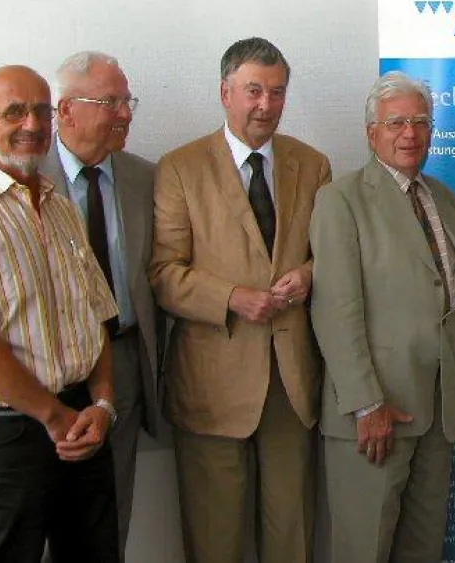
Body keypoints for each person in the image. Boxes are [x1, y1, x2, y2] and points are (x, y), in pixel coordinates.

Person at [0, 65, 119, 562]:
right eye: (14, 111)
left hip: (81, 421)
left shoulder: (59, 207)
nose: (32, 124)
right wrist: (54, 417)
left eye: (41, 110)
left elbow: (95, 316)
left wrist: (102, 406)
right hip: (7, 437)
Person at [149, 37, 332, 563]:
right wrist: (231, 297)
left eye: (277, 93)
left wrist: (309, 274)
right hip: (211, 385)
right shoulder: (180, 167)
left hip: (292, 383)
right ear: (225, 92)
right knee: (215, 540)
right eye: (254, 91)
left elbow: (334, 256)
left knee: (291, 536)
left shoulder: (312, 164)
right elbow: (163, 274)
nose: (266, 105)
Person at [310, 71, 455, 563]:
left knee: (423, 549)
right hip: (377, 413)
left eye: (420, 122)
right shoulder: (341, 200)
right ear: (372, 133)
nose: (409, 134)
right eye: (395, 123)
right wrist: (367, 404)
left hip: (440, 409)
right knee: (363, 549)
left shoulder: (447, 201)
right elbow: (335, 311)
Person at [41, 51, 164, 559]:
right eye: (110, 101)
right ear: (65, 111)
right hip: (46, 376)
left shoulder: (146, 178)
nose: (125, 113)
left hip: (125, 363)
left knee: (109, 517)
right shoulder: (24, 180)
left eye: (127, 100)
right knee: (43, 519)